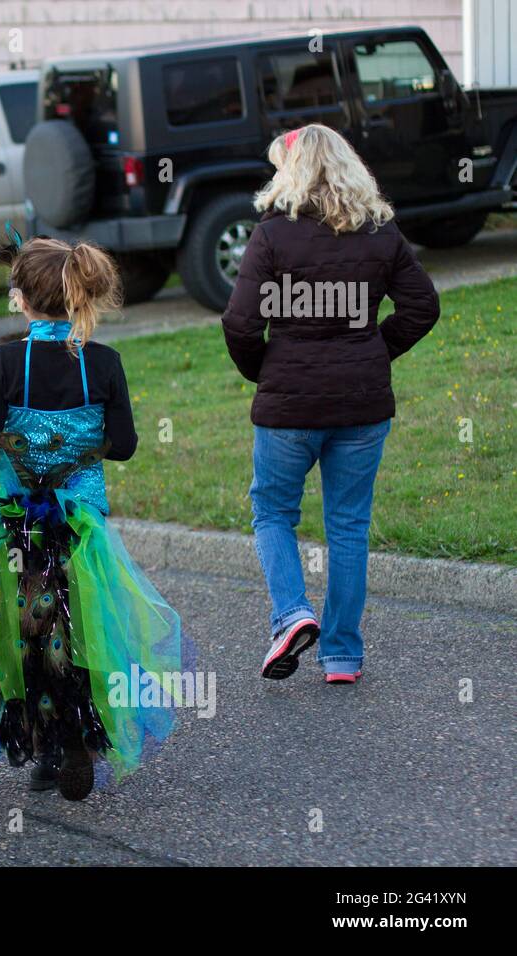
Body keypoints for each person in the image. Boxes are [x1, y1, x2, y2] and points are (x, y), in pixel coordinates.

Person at [0, 235, 185, 800]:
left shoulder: (5, 361)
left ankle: (48, 751)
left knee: (20, 633)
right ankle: (80, 735)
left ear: (23, 301)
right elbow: (122, 445)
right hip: (79, 525)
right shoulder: (103, 362)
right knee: (83, 629)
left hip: (12, 525)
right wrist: (76, 443)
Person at [222, 124, 440, 685]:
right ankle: (341, 654)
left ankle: (292, 614)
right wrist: (374, 351)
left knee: (272, 512)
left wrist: (263, 372)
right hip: (362, 407)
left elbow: (241, 323)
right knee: (348, 526)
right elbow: (423, 306)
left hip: (288, 410)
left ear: (291, 172)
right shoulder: (380, 233)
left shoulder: (271, 235)